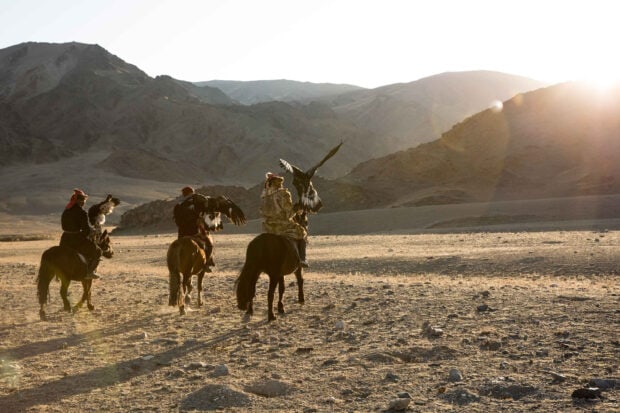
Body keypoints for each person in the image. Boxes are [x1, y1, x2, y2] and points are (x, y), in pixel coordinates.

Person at [260, 172, 309, 267]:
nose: (281, 183)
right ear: (278, 182)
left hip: (267, 227)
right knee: (301, 232)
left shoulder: (264, 195)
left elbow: (262, 212)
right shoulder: (283, 193)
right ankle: (302, 259)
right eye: (280, 181)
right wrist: (296, 209)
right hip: (282, 226)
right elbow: (288, 213)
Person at [60, 189, 102, 280]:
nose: (83, 202)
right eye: (82, 200)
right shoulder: (82, 213)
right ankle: (89, 272)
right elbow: (86, 230)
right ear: (78, 201)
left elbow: (64, 226)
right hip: (76, 239)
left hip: (64, 239)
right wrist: (91, 232)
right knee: (98, 251)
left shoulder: (66, 211)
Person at [173, 186, 215, 271]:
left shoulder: (178, 205)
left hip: (181, 234)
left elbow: (177, 221)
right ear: (191, 193)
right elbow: (201, 218)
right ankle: (205, 264)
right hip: (194, 233)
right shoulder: (196, 203)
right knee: (209, 244)